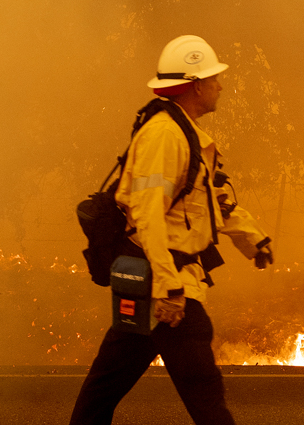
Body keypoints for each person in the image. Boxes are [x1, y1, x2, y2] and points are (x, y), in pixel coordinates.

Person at [70, 35, 274, 425]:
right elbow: (148, 215)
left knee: (106, 385)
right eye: (214, 78)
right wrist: (168, 289)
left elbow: (207, 204)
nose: (220, 86)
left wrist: (254, 239)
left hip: (148, 280)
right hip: (163, 283)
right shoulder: (164, 136)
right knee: (204, 394)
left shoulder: (183, 133)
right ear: (196, 85)